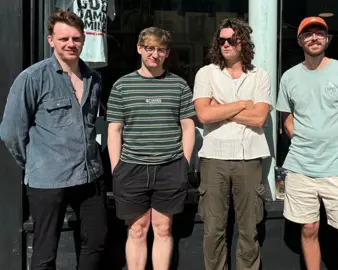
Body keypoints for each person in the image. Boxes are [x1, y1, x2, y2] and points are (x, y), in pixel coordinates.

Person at [0, 10, 107, 270]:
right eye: (64, 39)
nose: (71, 44)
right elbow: (11, 131)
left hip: (89, 175)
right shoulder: (32, 78)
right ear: (51, 40)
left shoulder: (93, 78)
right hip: (48, 179)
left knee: (96, 239)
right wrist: (36, 162)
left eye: (76, 38)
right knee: (45, 251)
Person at [276, 16, 338, 270]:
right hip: (301, 168)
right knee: (308, 229)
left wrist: (336, 148)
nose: (314, 38)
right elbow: (287, 120)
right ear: (300, 40)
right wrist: (306, 144)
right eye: (308, 34)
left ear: (327, 39)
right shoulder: (289, 77)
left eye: (319, 33)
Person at [106, 27, 196, 269]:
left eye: (161, 50)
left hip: (170, 166)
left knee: (163, 228)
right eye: (150, 48)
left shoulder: (178, 86)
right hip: (132, 167)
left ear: (167, 53)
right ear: (139, 49)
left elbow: (188, 127)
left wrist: (184, 164)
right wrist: (117, 168)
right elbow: (114, 130)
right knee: (136, 229)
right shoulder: (122, 86)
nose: (155, 54)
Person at [193, 18, 272, 270]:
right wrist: (241, 104)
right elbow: (203, 115)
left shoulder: (260, 75)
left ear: (243, 42)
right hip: (214, 158)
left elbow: (259, 118)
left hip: (249, 158)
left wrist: (220, 107)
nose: (226, 44)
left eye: (232, 39)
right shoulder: (206, 73)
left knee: (250, 229)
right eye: (222, 40)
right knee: (214, 229)